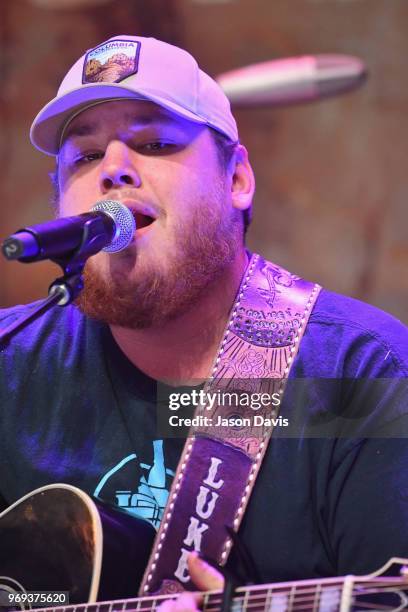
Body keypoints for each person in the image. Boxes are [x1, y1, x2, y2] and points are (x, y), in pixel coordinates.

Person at [1, 34, 408, 607]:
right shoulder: (12, 362)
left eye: (155, 143)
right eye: (86, 157)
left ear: (237, 180)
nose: (114, 170)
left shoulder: (362, 377)